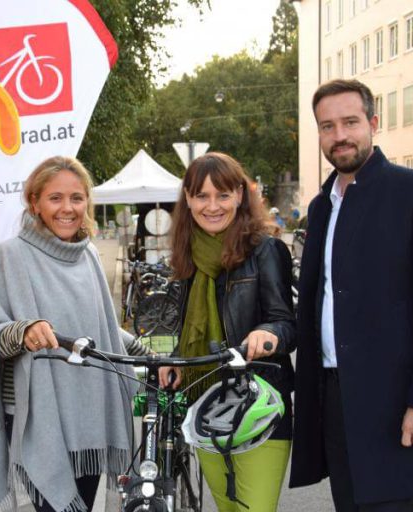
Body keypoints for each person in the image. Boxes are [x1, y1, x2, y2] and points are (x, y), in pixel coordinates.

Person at [289, 79, 413, 511]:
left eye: (350, 122)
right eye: (327, 126)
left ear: (373, 123)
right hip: (333, 396)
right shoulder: (321, 207)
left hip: (393, 401)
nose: (340, 136)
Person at [0, 156, 146, 512]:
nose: (67, 208)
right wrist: (25, 331)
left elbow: (105, 330)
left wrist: (150, 356)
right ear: (34, 202)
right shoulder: (9, 257)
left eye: (77, 198)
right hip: (37, 415)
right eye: (55, 198)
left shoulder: (90, 256)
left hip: (89, 413)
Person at [158, 152, 296, 511]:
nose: (212, 206)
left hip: (258, 405)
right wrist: (174, 361)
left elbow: (287, 323)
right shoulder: (188, 256)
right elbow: (188, 330)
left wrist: (267, 333)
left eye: (222, 194)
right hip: (205, 405)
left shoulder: (266, 249)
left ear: (239, 195)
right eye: (201, 196)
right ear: (188, 200)